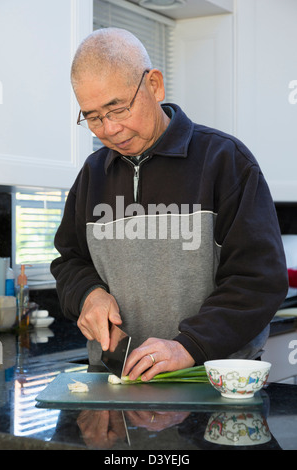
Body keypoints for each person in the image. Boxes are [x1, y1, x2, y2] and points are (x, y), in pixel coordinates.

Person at [51, 28, 288, 382]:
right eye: (94, 117)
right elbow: (70, 261)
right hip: (116, 383)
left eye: (118, 108)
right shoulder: (93, 174)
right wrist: (88, 295)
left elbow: (259, 280)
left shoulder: (225, 161)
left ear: (155, 85)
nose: (110, 129)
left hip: (212, 383)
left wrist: (188, 346)